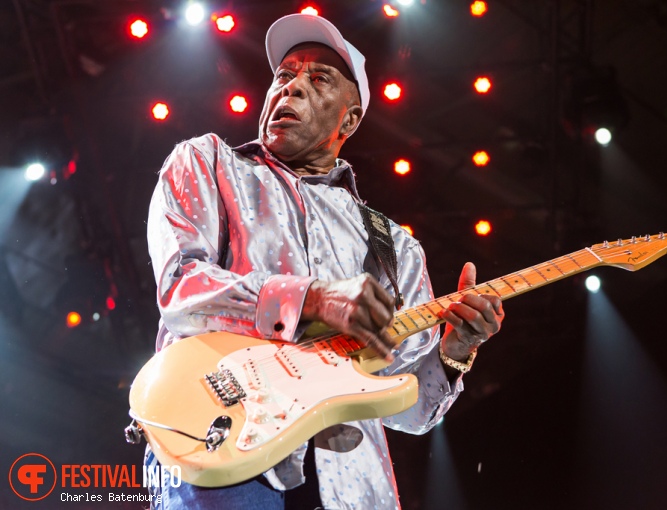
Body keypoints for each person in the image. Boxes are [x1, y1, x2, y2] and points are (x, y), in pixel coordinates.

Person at [143, 13, 504, 510]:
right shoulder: (206, 162)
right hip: (219, 444)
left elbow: (409, 410)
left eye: (318, 79)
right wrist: (311, 298)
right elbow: (181, 289)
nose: (291, 88)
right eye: (284, 75)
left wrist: (455, 350)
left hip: (351, 486)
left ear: (349, 120)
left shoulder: (395, 247)